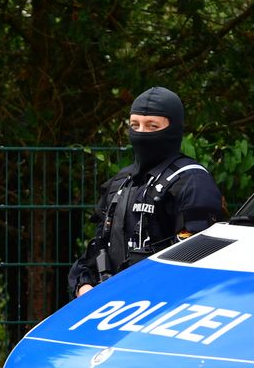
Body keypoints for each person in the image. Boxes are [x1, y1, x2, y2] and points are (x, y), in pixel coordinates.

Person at [68, 87, 223, 298]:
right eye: (135, 125)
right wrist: (84, 287)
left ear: (173, 128)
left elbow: (197, 263)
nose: (141, 133)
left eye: (152, 126)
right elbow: (93, 253)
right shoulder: (121, 183)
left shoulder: (192, 182)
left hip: (165, 307)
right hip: (111, 307)